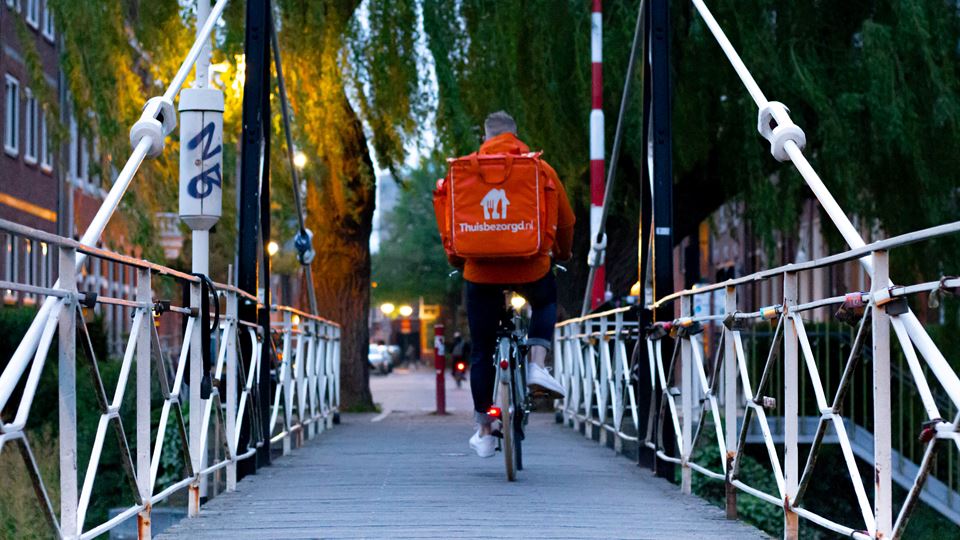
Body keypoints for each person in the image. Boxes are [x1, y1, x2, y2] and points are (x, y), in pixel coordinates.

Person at [447, 111, 575, 458]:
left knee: (481, 351)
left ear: (486, 137)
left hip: (481, 272)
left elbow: (450, 224)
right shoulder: (538, 168)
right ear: (516, 135)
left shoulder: (464, 170)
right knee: (546, 301)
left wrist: (460, 261)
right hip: (530, 267)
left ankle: (485, 429)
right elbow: (565, 219)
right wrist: (560, 254)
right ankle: (536, 364)